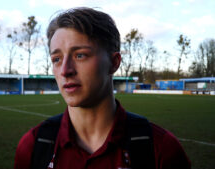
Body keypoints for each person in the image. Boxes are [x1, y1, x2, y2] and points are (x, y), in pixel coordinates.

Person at [14, 7, 191, 169]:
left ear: (114, 63)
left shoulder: (161, 149)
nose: (65, 70)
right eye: (57, 59)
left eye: (80, 55)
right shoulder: (33, 146)